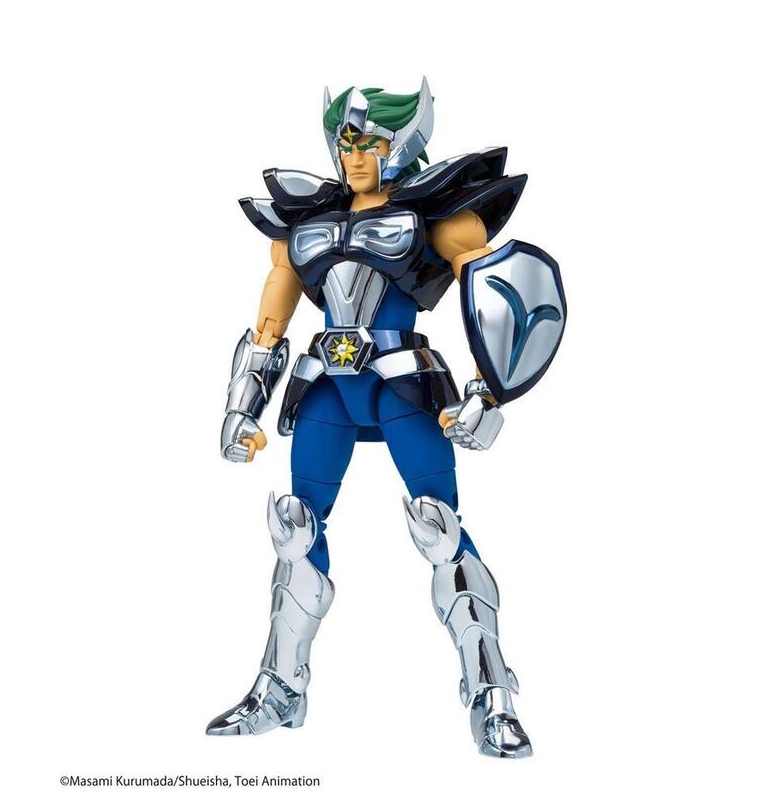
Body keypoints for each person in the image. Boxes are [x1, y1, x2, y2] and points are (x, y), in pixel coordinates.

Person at [205, 79, 566, 758]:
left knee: (439, 528)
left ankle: (491, 694)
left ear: (401, 143)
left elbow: (500, 288)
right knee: (295, 528)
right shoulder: (307, 217)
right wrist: (240, 406)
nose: (355, 154)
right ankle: (280, 688)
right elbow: (271, 317)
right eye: (346, 141)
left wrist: (489, 394)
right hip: (325, 385)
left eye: (369, 142)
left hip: (402, 382)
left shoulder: (435, 212)